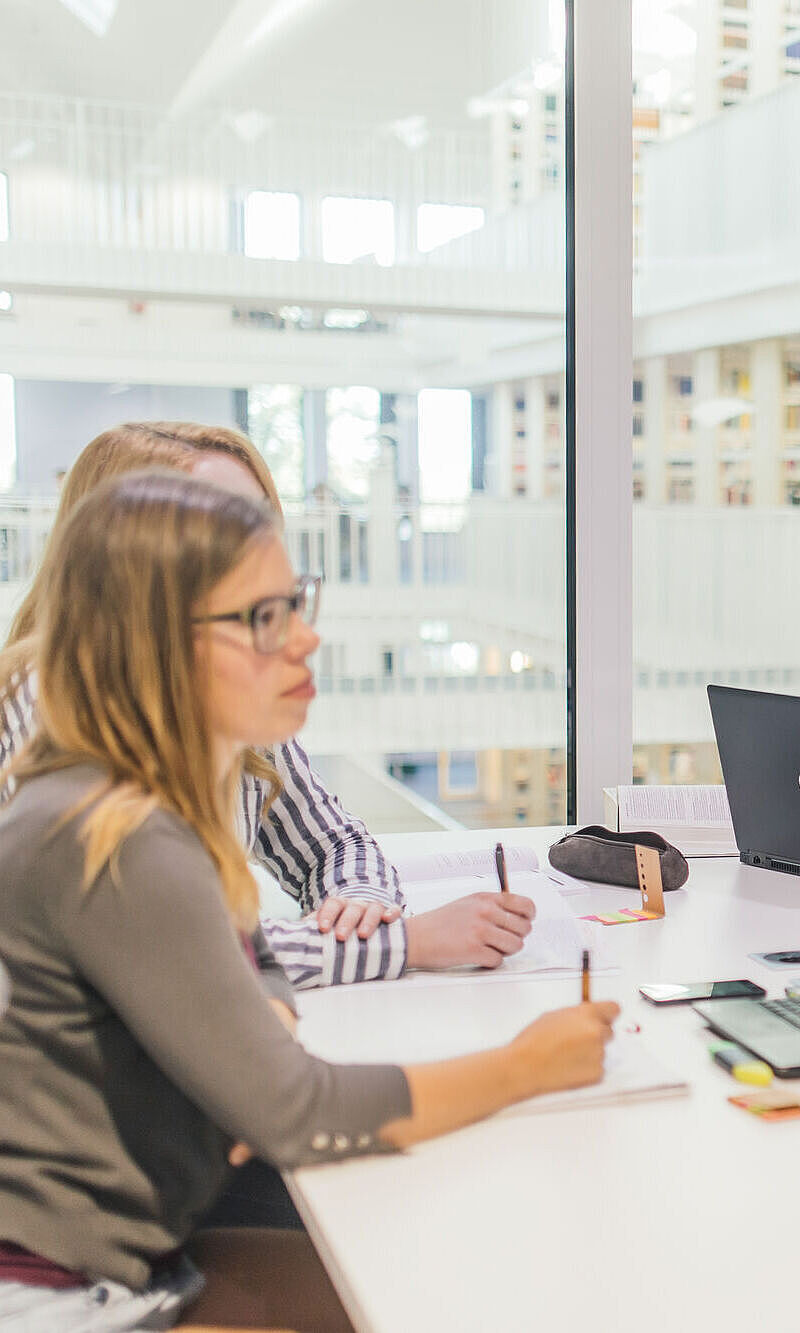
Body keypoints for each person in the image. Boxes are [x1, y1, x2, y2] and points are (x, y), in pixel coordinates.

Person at [0, 470, 619, 1329]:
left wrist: (260, 1047)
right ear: (152, 646)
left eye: (295, 602)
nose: (306, 639)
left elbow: (258, 1015)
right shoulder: (121, 839)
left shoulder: (125, 799)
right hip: (61, 1297)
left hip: (112, 1256)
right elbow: (298, 1115)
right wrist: (529, 1064)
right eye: (262, 618)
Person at [0, 422, 532, 987]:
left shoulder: (227, 677)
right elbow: (163, 947)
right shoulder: (50, 693)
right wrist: (406, 942)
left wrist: (360, 903)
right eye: (222, 523)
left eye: (257, 518)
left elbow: (333, 843)